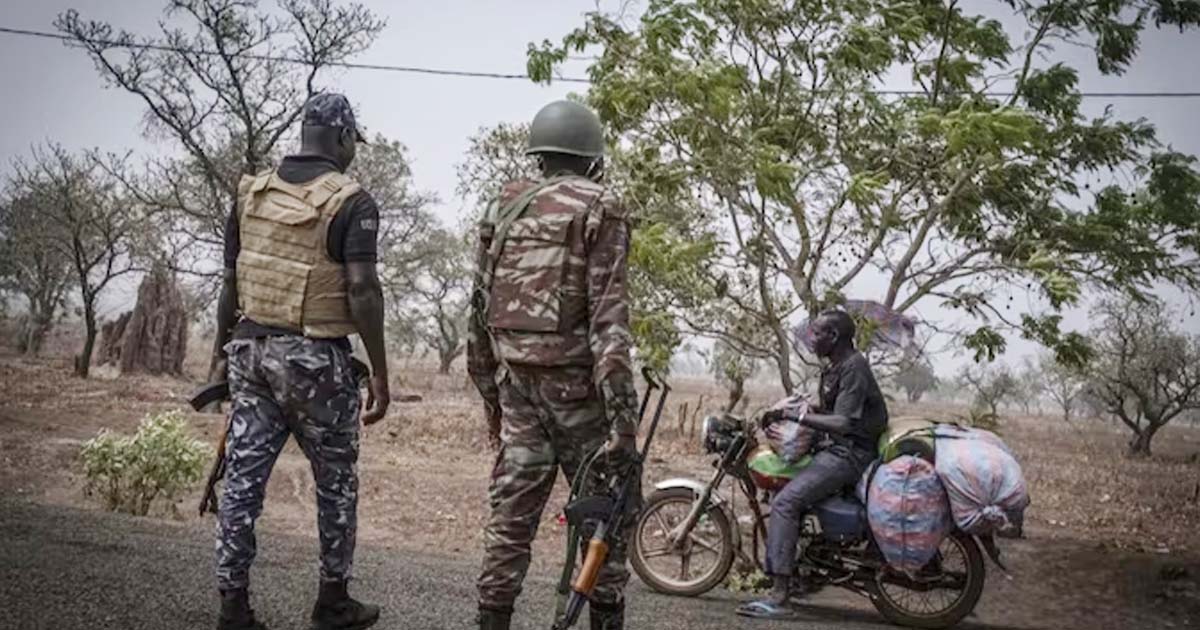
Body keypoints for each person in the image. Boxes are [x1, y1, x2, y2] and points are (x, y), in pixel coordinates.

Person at [207, 92, 390, 630]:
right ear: (343, 138)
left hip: (251, 353)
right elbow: (362, 289)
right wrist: (379, 369)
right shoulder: (353, 202)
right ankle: (332, 601)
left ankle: (232, 606)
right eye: (354, 140)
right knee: (336, 481)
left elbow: (231, 283)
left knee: (242, 481)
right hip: (316, 363)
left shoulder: (250, 193)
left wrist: (220, 359)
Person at [467, 100, 641, 630]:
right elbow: (610, 327)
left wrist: (491, 398)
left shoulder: (505, 207)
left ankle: (492, 620)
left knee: (510, 521)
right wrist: (624, 424)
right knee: (607, 516)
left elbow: (477, 309)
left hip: (517, 388)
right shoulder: (601, 207)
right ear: (592, 158)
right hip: (581, 397)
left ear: (540, 155)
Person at [737, 309, 889, 620]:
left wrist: (795, 416)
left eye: (817, 333)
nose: (811, 338)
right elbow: (831, 407)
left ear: (833, 337)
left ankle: (780, 596)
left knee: (785, 503)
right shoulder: (836, 367)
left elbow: (843, 421)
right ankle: (802, 569)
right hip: (835, 449)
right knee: (787, 492)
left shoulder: (854, 368)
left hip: (849, 454)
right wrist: (786, 408)